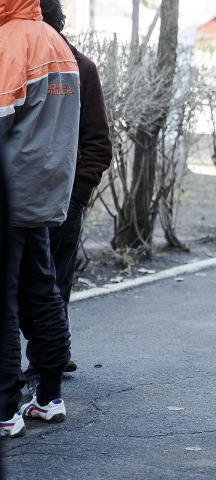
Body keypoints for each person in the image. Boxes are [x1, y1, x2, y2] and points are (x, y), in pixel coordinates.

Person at [22, 0, 113, 394]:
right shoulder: (14, 60)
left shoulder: (81, 68)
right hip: (21, 195)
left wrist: (75, 196)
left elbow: (98, 143)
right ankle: (50, 355)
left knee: (53, 285)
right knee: (30, 286)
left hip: (61, 202)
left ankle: (47, 363)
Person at [0, 0, 80, 437]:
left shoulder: (9, 43)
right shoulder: (55, 41)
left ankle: (4, 410)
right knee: (42, 292)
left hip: (10, 192)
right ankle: (48, 396)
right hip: (42, 194)